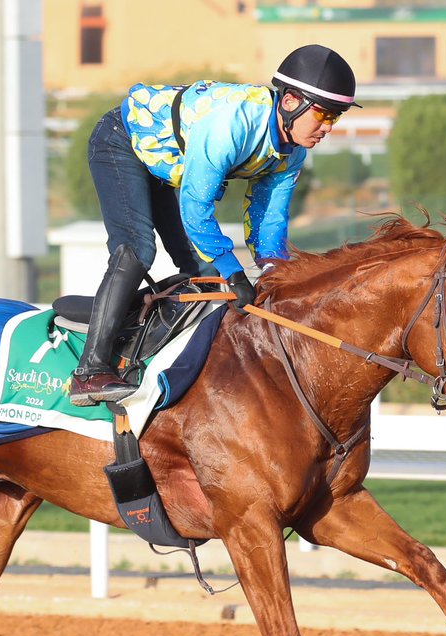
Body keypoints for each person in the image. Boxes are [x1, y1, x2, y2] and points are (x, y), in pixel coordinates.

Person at [69, 43, 361, 406]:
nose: (327, 129)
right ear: (290, 102)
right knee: (138, 250)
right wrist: (235, 272)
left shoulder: (292, 152)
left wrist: (276, 274)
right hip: (121, 143)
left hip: (170, 166)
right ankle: (89, 370)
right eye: (325, 115)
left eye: (336, 118)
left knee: (201, 270)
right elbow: (196, 208)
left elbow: (268, 220)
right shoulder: (232, 123)